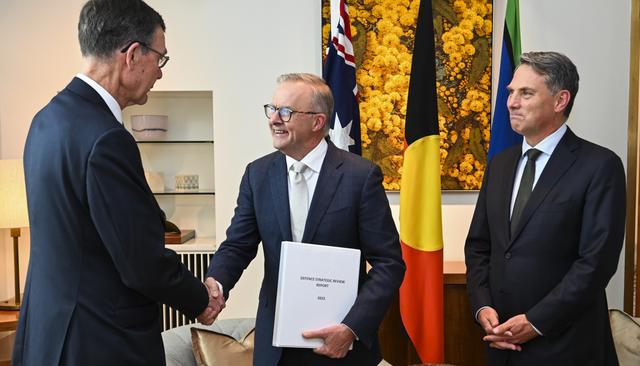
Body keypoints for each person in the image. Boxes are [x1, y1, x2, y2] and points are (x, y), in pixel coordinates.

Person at [13, 0, 224, 364]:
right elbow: (139, 259)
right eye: (161, 59)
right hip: (99, 342)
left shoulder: (45, 120)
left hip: (46, 336)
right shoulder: (107, 138)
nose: (159, 73)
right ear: (132, 54)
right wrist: (200, 299)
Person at [205, 73, 405, 365]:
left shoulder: (360, 177)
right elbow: (238, 245)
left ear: (317, 122)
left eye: (286, 112)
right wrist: (215, 285)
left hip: (340, 345)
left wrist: (351, 328)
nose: (274, 119)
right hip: (276, 351)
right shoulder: (257, 174)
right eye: (271, 109)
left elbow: (389, 263)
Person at [465, 51, 626, 365]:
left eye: (526, 93)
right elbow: (480, 246)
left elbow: (595, 264)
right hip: (500, 344)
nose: (512, 102)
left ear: (560, 100)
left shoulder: (600, 166)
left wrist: (535, 322)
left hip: (565, 346)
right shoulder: (500, 164)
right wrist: (483, 307)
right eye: (511, 92)